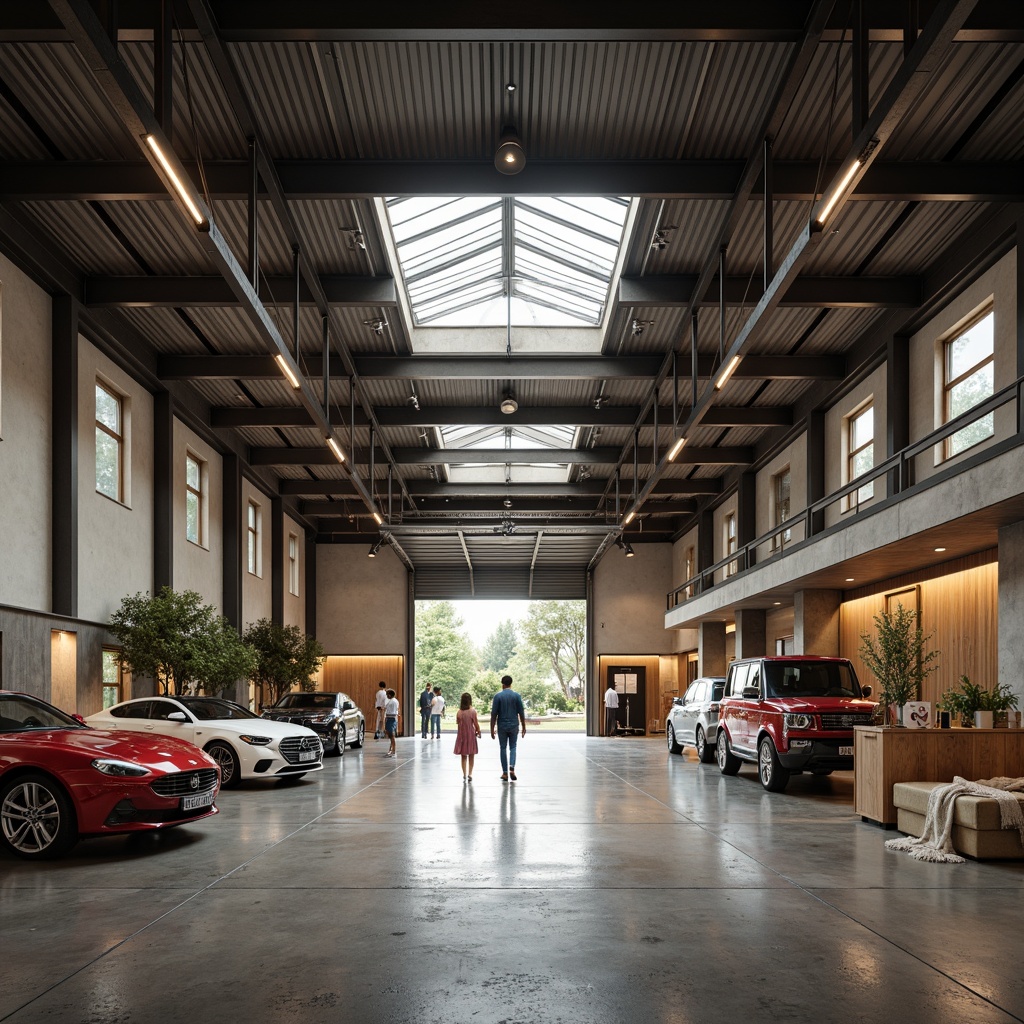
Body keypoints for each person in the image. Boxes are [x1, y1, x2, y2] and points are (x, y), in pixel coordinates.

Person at [490, 674, 526, 782]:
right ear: (511, 684)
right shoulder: (517, 696)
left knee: (502, 748)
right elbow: (521, 712)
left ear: (502, 684)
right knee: (513, 747)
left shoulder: (498, 696)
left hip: (502, 725)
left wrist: (492, 729)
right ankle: (512, 767)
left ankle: (505, 773)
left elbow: (493, 714)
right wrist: (524, 726)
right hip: (514, 725)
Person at [453, 692, 481, 781]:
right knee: (471, 755)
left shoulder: (459, 712)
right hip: (471, 735)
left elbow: (457, 722)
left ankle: (464, 774)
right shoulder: (473, 711)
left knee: (463, 756)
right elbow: (476, 723)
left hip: (462, 735)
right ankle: (470, 774)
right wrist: (478, 731)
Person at [383, 688, 399, 758]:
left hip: (391, 718)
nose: (386, 696)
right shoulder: (393, 701)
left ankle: (393, 750)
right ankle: (391, 749)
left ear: (390, 695)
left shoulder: (393, 702)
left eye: (387, 694)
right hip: (390, 718)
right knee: (390, 735)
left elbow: (393, 712)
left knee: (391, 735)